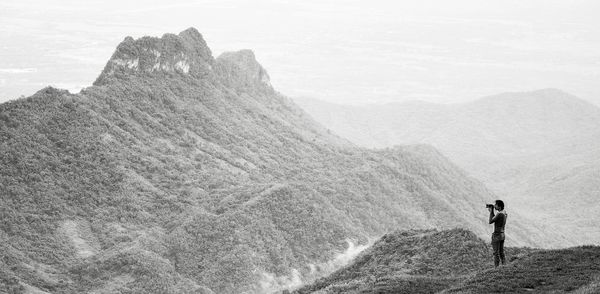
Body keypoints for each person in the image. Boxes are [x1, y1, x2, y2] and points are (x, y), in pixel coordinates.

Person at [488, 200, 507, 267]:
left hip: (497, 235)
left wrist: (491, 212)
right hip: (502, 234)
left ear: (499, 206)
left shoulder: (499, 214)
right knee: (501, 252)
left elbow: (490, 221)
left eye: (496, 205)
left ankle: (497, 268)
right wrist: (492, 211)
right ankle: (504, 265)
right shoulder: (504, 213)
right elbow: (494, 219)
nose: (495, 206)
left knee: (496, 253)